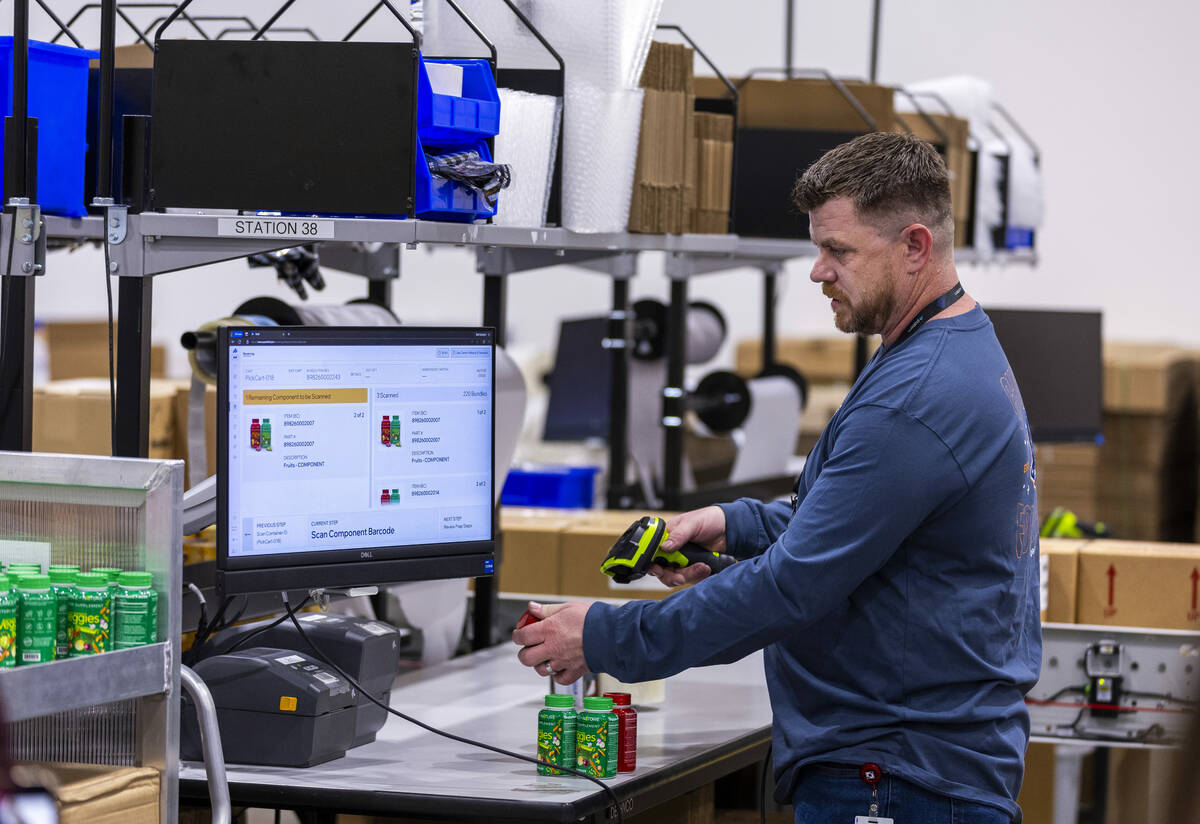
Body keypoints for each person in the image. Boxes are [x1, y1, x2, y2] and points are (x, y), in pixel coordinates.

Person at [514, 131, 1041, 823]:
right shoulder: (942, 347)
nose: (818, 271)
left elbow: (793, 587)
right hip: (914, 760)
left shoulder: (917, 396)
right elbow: (853, 519)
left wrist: (606, 638)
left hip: (899, 776)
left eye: (840, 251)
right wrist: (732, 525)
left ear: (915, 246)